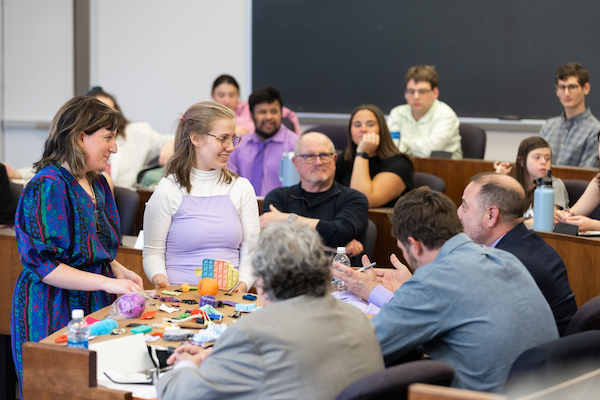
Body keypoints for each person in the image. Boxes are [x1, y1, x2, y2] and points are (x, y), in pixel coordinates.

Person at [332, 187, 558, 393]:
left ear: (415, 245)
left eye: (403, 249)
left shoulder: (435, 280)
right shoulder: (505, 259)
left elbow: (366, 346)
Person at [156, 222, 384, 400]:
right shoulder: (357, 318)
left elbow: (180, 394)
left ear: (262, 283)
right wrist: (217, 358)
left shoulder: (252, 333)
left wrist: (185, 362)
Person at [10, 96, 144, 390]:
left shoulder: (96, 182)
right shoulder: (48, 186)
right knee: (57, 389)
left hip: (91, 301)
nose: (115, 147)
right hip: (52, 307)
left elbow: (92, 246)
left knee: (96, 388)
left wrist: (117, 269)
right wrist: (105, 283)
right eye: (108, 137)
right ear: (80, 136)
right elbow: (44, 266)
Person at [143, 101, 259, 293]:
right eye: (223, 138)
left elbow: (252, 250)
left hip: (229, 299)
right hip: (178, 298)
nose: (230, 147)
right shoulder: (168, 190)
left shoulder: (242, 188)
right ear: (196, 138)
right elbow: (153, 252)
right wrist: (161, 280)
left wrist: (243, 284)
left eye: (233, 139)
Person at [458, 173, 577, 336]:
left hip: (538, 357)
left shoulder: (503, 264)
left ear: (491, 215)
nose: (458, 213)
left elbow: (463, 326)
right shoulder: (530, 243)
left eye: (465, 206)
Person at [260, 132, 369, 258]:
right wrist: (333, 249)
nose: (318, 162)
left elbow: (338, 234)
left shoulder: (354, 199)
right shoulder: (278, 197)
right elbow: (274, 245)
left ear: (334, 160)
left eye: (324, 155)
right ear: (296, 163)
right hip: (286, 273)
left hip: (338, 274)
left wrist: (286, 219)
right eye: (309, 156)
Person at [86, 87, 175, 187]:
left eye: (110, 112)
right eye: (100, 113)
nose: (107, 118)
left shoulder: (137, 133)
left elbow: (174, 139)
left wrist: (170, 143)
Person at [335, 104, 414, 207]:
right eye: (357, 125)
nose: (363, 129)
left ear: (381, 130)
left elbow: (363, 200)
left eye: (370, 125)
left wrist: (362, 153)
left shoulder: (400, 164)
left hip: (381, 221)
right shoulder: (345, 157)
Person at [227, 86, 300, 196]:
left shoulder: (297, 145)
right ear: (252, 115)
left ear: (281, 113)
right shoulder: (238, 146)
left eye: (274, 111)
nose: (269, 117)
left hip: (283, 210)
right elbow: (229, 184)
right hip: (243, 209)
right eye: (262, 112)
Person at [386, 65, 462, 159]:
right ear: (405, 94)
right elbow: (388, 148)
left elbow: (430, 151)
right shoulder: (396, 113)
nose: (416, 97)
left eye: (422, 91)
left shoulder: (446, 115)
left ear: (435, 93)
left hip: (442, 168)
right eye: (411, 91)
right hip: (403, 165)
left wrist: (404, 142)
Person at [540, 62, 600, 168]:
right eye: (562, 87)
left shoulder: (595, 131)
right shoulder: (548, 126)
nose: (566, 93)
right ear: (557, 90)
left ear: (586, 88)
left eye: (572, 87)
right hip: (543, 185)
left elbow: (585, 176)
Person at [493, 136, 569, 218]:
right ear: (522, 161)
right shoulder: (512, 185)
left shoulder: (554, 185)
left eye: (548, 158)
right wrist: (498, 179)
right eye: (537, 157)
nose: (543, 162)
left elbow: (550, 219)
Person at [211, 74, 302, 136]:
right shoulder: (206, 116)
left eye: (232, 95)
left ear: (238, 95)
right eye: (221, 95)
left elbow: (289, 114)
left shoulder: (252, 106)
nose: (226, 100)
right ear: (212, 95)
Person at [555, 132, 600, 231]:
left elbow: (592, 225)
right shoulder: (599, 179)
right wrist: (563, 216)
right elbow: (574, 212)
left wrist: (594, 225)